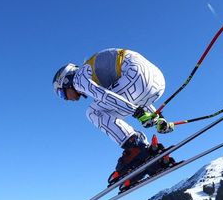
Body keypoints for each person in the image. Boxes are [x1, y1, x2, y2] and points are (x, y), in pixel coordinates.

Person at [53, 48, 176, 187]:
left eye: (61, 94)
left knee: (93, 112)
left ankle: (136, 148)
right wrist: (159, 119)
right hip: (157, 83)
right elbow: (130, 92)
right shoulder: (92, 72)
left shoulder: (78, 78)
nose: (66, 99)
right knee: (106, 106)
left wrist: (137, 113)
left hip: (136, 77)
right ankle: (150, 157)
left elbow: (104, 95)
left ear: (65, 81)